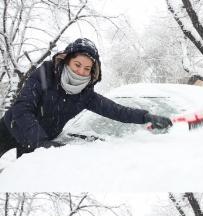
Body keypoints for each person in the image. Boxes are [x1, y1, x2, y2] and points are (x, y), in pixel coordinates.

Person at [0, 37, 172, 158]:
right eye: (77, 64)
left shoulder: (85, 95)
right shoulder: (45, 75)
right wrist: (41, 142)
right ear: (67, 60)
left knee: (23, 178)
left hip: (41, 143)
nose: (81, 71)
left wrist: (145, 116)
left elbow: (115, 110)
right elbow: (22, 108)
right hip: (10, 129)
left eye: (87, 68)